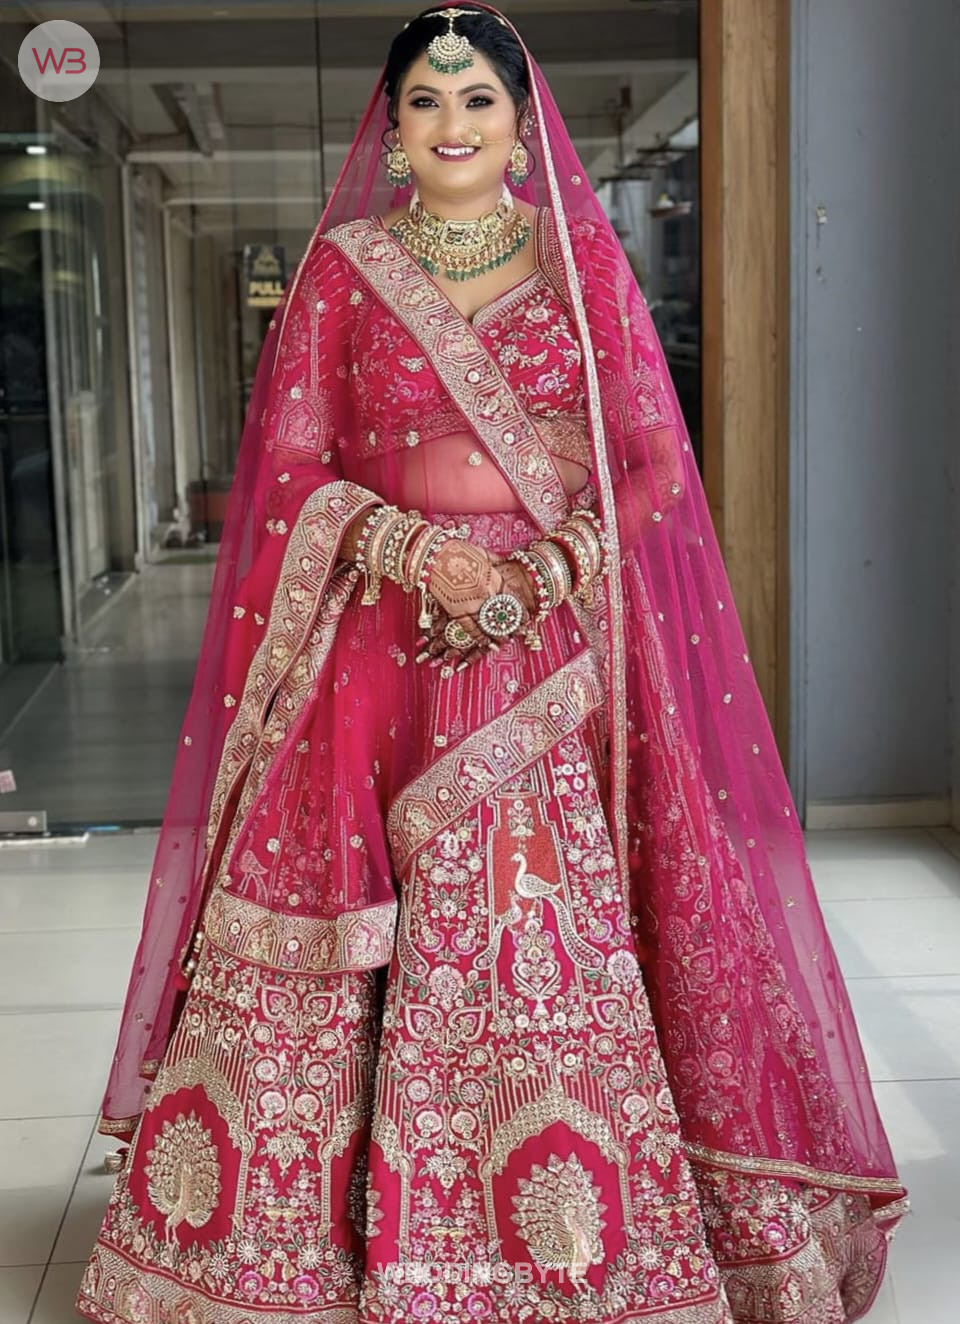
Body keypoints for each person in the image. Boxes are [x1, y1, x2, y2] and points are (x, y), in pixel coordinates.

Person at [76, 5, 907, 1321]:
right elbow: (288, 469)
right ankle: (309, 1244)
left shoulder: (579, 264)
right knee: (344, 930)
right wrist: (418, 555)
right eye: (425, 100)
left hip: (544, 655)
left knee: (536, 932)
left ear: (523, 126)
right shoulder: (344, 271)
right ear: (393, 128)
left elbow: (650, 464)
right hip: (376, 645)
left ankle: (553, 1233)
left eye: (476, 100)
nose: (451, 123)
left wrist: (541, 574)